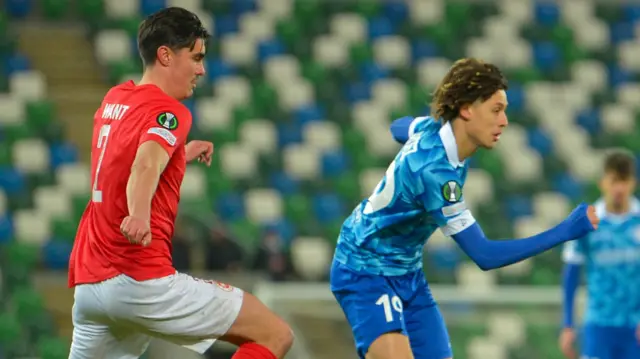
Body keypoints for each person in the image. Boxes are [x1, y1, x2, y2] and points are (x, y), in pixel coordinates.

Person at [329, 58, 600, 359]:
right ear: (467, 109)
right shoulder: (436, 172)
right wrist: (566, 230)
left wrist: (410, 134)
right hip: (365, 268)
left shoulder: (436, 130)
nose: (505, 121)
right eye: (496, 110)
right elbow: (484, 255)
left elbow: (399, 126)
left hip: (407, 273)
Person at [68, 7, 293, 359]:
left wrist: (178, 153)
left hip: (91, 284)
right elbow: (144, 165)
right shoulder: (170, 112)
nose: (202, 70)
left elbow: (123, 160)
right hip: (140, 279)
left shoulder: (115, 99)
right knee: (274, 335)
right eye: (196, 58)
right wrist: (139, 214)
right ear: (165, 55)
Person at [559, 150, 640, 359]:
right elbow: (571, 274)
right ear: (602, 182)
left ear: (633, 183)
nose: (619, 188)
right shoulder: (587, 223)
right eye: (614, 181)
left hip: (635, 328)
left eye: (624, 181)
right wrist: (568, 324)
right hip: (599, 326)